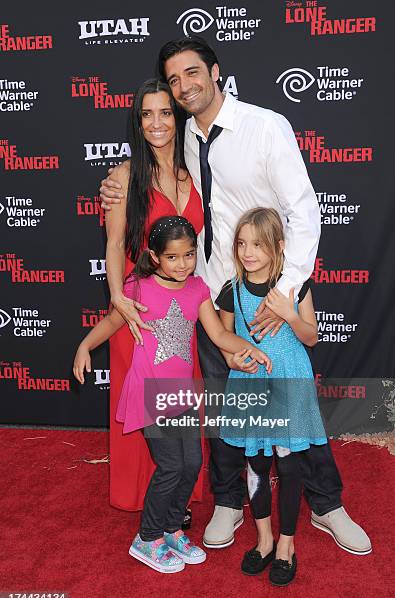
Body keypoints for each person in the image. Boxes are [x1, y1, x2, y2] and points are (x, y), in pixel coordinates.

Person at [100, 37, 371, 555]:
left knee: (292, 406)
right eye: (174, 80)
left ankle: (327, 505)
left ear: (216, 71)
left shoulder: (265, 127)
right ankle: (228, 501)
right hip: (213, 296)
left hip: (271, 292)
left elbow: (305, 211)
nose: (184, 86)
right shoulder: (179, 141)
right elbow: (142, 175)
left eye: (191, 73)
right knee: (227, 407)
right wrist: (112, 183)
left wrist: (284, 293)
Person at [73, 216, 272, 573]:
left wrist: (248, 348)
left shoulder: (197, 290)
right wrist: (85, 346)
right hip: (150, 390)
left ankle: (170, 529)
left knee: (193, 464)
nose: (183, 265)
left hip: (181, 394)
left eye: (190, 255)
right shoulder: (137, 288)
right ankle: (147, 538)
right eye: (173, 257)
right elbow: (111, 322)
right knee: (171, 466)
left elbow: (218, 335)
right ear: (155, 256)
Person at [102, 78, 205, 516]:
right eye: (147, 114)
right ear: (137, 121)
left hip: (184, 308)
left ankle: (176, 495)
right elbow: (112, 245)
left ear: (178, 118)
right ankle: (146, 501)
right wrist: (118, 302)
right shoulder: (125, 177)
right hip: (139, 310)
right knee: (145, 403)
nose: (157, 123)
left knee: (178, 404)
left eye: (165, 112)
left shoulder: (195, 169)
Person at [216, 207, 327, 586]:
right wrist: (236, 359)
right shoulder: (231, 290)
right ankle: (264, 539)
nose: (248, 252)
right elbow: (224, 343)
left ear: (278, 246)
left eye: (258, 245)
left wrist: (290, 314)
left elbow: (311, 336)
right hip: (250, 387)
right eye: (242, 243)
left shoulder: (295, 285)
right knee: (256, 466)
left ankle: (286, 545)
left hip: (289, 382)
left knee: (290, 465)